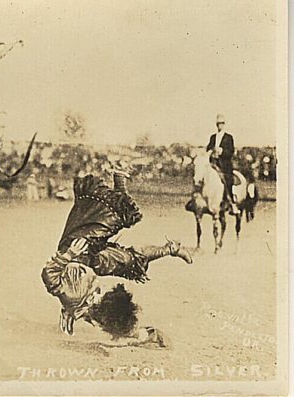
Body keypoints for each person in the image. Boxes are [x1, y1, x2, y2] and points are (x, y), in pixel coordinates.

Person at [41, 170, 192, 346]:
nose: (102, 290)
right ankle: (170, 249)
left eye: (101, 294)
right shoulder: (95, 310)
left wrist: (68, 255)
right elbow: (115, 322)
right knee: (130, 261)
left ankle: (119, 182)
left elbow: (48, 274)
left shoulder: (73, 296)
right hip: (92, 263)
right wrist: (147, 335)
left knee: (110, 214)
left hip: (75, 249)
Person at [206, 114, 239, 214]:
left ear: (224, 125)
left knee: (227, 180)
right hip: (213, 164)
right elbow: (208, 148)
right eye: (218, 124)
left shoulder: (229, 137)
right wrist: (211, 151)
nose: (219, 126)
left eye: (221, 124)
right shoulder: (213, 137)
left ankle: (232, 203)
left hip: (224, 165)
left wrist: (222, 151)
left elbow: (231, 151)